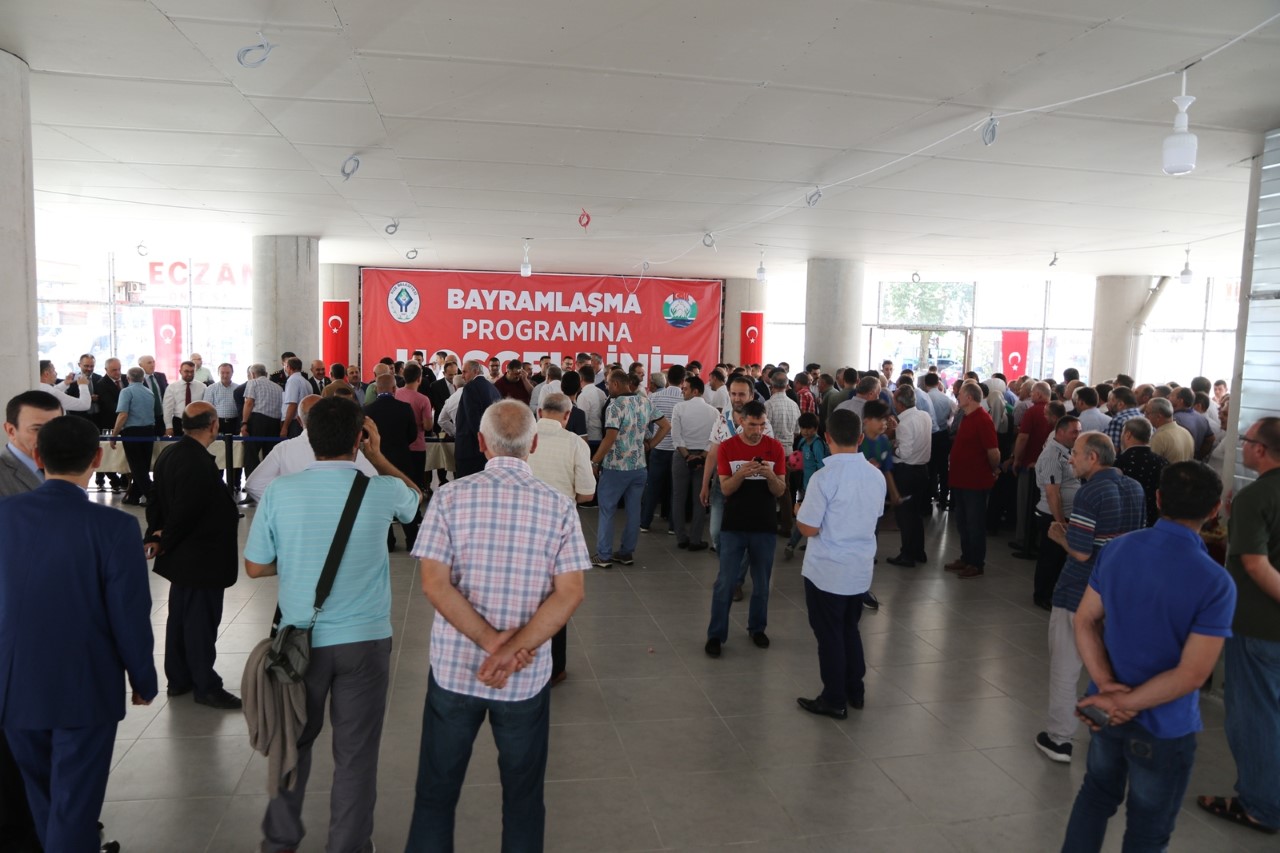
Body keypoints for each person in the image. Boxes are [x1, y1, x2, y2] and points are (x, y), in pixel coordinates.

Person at [404, 401, 589, 852]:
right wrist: (510, 650)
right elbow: (570, 593)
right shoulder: (559, 507)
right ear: (534, 444)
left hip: (455, 670)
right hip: (523, 678)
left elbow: (434, 584)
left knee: (435, 794)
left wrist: (490, 643)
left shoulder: (449, 498)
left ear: (481, 443)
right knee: (523, 799)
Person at [245, 397, 421, 852]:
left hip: (298, 642)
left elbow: (255, 567)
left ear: (308, 437)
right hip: (365, 641)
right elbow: (415, 500)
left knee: (291, 743)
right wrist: (379, 457)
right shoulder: (381, 489)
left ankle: (280, 840)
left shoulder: (281, 492)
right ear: (360, 439)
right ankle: (349, 845)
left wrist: (297, 560)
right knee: (356, 755)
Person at [0, 415, 157, 852]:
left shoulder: (4, 516)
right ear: (97, 457)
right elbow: (129, 613)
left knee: (43, 797)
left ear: (37, 456)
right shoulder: (114, 527)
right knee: (74, 803)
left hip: (13, 686)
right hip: (84, 686)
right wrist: (142, 678)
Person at [1062, 462, 1236, 851]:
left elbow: (1085, 620)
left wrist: (1107, 690)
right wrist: (1123, 702)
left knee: (1095, 797)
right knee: (1148, 829)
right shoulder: (1215, 582)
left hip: (1104, 712)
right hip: (1164, 725)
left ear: (1157, 499)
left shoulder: (1119, 549)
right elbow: (1192, 674)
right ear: (1214, 511)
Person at [1036, 431, 1145, 765]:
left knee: (1066, 666)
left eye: (1076, 453)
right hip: (1117, 594)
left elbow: (1082, 552)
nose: (1070, 459)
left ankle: (1059, 739)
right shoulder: (1135, 488)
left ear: (1093, 458)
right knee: (1108, 668)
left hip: (1079, 592)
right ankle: (1108, 730)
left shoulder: (1091, 491)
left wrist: (1059, 536)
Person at [1196, 417, 1280, 835]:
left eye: (1246, 440)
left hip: (1260, 625)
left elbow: (1256, 565)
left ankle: (1261, 805)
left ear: (1260, 450)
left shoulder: (1257, 496)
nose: (1242, 445)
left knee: (1254, 716)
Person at [145, 401, 243, 710]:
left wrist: (155, 535)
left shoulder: (170, 454)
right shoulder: (197, 462)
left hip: (182, 559)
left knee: (180, 619)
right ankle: (205, 685)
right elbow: (185, 512)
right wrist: (165, 538)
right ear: (214, 425)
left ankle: (179, 678)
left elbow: (155, 499)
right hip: (202, 558)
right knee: (200, 623)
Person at [794, 409, 885, 718]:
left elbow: (809, 529)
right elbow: (873, 516)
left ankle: (834, 699)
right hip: (859, 570)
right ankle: (854, 690)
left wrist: (798, 511)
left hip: (827, 572)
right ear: (860, 438)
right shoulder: (875, 476)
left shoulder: (823, 478)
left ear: (827, 437)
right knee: (849, 629)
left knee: (829, 635)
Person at [704, 400, 786, 658]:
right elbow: (726, 488)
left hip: (765, 525)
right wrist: (742, 473)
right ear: (741, 421)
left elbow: (780, 490)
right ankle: (716, 635)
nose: (757, 430)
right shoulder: (728, 447)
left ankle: (757, 628)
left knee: (762, 584)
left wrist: (769, 475)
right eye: (752, 425)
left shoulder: (775, 448)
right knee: (725, 583)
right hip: (734, 525)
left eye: (762, 425)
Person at [526, 393, 595, 686]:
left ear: (539, 411)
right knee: (558, 596)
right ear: (568, 416)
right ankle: (555, 668)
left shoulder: (522, 440)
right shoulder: (575, 443)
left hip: (523, 525)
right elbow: (587, 494)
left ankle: (523, 657)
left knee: (524, 594)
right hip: (559, 529)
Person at [590, 370, 670, 568]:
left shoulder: (615, 406)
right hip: (639, 466)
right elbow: (665, 426)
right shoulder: (645, 401)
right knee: (634, 511)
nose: (607, 387)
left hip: (615, 467)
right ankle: (626, 553)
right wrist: (650, 445)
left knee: (607, 510)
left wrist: (595, 461)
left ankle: (604, 555)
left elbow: (610, 438)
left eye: (608, 384)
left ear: (616, 384)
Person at [946, 383, 1000, 579]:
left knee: (974, 523)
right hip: (961, 479)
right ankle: (966, 557)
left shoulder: (983, 419)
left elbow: (993, 451)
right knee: (962, 522)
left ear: (969, 397)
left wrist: (993, 469)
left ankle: (976, 563)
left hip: (975, 482)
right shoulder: (967, 416)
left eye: (960, 394)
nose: (957, 396)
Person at [366, 374, 422, 551]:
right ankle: (412, 540)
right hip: (402, 460)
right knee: (406, 498)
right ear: (394, 389)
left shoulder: (367, 410)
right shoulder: (405, 408)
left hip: (376, 461)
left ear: (376, 389)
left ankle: (388, 542)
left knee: (381, 500)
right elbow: (412, 435)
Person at [1032, 414, 1082, 611]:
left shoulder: (1066, 451)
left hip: (1064, 514)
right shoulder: (1052, 455)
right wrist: (1060, 522)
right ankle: (1043, 594)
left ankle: (1054, 592)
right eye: (1074, 432)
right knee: (1050, 558)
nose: (1077, 436)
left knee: (1059, 558)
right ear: (1060, 432)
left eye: (1079, 432)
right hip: (1052, 516)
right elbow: (1053, 493)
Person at [886, 384, 932, 568]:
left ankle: (907, 554)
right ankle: (919, 551)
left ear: (900, 403)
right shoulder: (925, 416)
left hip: (907, 472)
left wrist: (891, 446)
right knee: (916, 514)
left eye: (894, 400)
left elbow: (903, 453)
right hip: (922, 470)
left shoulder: (904, 423)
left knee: (904, 515)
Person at [671, 375, 718, 552]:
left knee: (678, 497)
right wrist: (701, 456)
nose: (682, 391)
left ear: (695, 391)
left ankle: (681, 537)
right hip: (704, 458)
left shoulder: (679, 408)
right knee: (701, 498)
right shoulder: (714, 412)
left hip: (681, 455)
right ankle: (696, 540)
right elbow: (714, 439)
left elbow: (676, 436)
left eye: (685, 389)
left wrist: (686, 456)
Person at [640, 365, 685, 533]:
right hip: (678, 450)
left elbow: (645, 421)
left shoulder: (654, 397)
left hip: (658, 448)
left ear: (667, 380)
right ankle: (673, 526)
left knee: (653, 486)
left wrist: (649, 440)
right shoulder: (685, 399)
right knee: (675, 490)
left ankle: (645, 523)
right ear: (683, 381)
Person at [110, 366, 159, 505]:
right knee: (143, 465)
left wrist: (114, 435)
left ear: (127, 378)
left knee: (137, 468)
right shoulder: (149, 392)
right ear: (143, 378)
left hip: (132, 433)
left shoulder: (126, 391)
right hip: (149, 431)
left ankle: (154, 497)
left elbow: (123, 415)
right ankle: (133, 496)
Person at [1114, 416, 1167, 528]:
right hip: (1156, 523)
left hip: (1125, 524)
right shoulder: (1163, 462)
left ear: (1128, 435)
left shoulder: (1118, 463)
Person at [455, 359, 503, 478]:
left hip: (470, 450)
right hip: (488, 449)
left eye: (465, 372)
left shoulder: (470, 387)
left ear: (475, 371)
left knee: (465, 485)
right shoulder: (493, 389)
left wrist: (482, 442)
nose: (462, 376)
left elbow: (473, 419)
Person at [240, 363, 285, 479]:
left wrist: (244, 423)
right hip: (275, 422)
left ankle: (252, 482)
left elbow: (249, 402)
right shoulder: (278, 388)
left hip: (258, 420)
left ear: (252, 374)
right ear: (266, 373)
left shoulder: (253, 383)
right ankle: (270, 482)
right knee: (270, 455)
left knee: (251, 454)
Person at [1146, 398, 1194, 463]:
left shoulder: (1159, 437)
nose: (1145, 416)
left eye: (1147, 413)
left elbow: (1151, 463)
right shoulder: (1186, 432)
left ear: (1158, 417)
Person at [161, 360, 200, 436]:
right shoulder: (172, 387)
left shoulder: (202, 387)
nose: (189, 374)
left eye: (192, 371)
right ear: (180, 372)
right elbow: (167, 408)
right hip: (178, 422)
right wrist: (169, 427)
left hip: (197, 423)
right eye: (186, 371)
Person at [280, 357, 311, 438]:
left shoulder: (292, 380)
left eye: (286, 366)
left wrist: (285, 427)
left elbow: (292, 405)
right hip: (304, 421)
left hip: (294, 422)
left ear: (289, 367)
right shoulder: (306, 382)